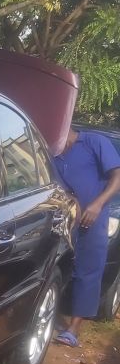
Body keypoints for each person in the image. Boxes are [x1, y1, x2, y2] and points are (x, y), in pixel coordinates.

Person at [54, 127, 120, 347]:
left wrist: (98, 205)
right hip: (61, 220)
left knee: (88, 271)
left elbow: (117, 176)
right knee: (55, 267)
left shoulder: (94, 142)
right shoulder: (50, 151)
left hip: (93, 220)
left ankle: (73, 330)